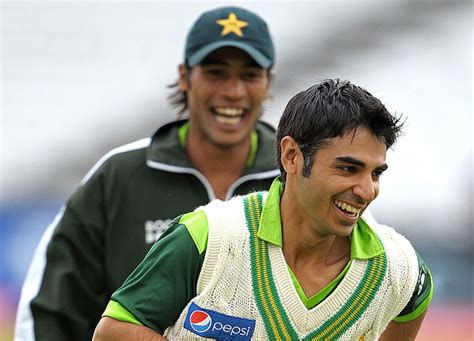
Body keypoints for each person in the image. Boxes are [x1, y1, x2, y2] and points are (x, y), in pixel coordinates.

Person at [93, 78, 434, 341]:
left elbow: (415, 299)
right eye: (347, 168)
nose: (366, 190)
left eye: (375, 173)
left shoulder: (397, 266)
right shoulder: (209, 236)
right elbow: (113, 331)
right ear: (291, 156)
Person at [14, 6, 281, 341]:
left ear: (269, 81)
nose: (233, 91)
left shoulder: (296, 178)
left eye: (249, 75)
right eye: (215, 72)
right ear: (185, 76)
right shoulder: (120, 175)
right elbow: (50, 309)